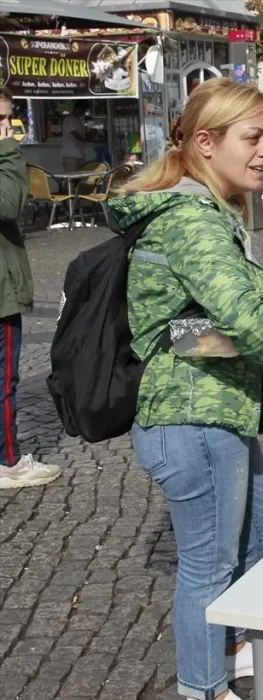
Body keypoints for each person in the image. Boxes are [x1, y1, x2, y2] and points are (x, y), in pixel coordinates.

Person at [110, 78, 263, 700]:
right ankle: (205, 691)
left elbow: (207, 326)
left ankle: (235, 643)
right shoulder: (191, 219)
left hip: (219, 411)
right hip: (190, 417)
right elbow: (240, 314)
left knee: (261, 533)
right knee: (208, 563)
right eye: (255, 137)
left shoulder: (211, 210)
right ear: (207, 144)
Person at [0, 87, 62, 489]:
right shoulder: (5, 156)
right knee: (4, 379)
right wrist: (7, 151)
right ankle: (7, 463)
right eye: (1, 121)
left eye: (10, 121)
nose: (9, 131)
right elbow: (7, 203)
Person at [61, 103, 89, 173]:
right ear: (78, 109)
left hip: (79, 154)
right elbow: (75, 134)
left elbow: (82, 134)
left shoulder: (79, 120)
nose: (84, 113)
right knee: (70, 178)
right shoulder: (69, 119)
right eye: (83, 111)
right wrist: (86, 139)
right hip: (70, 155)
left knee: (80, 178)